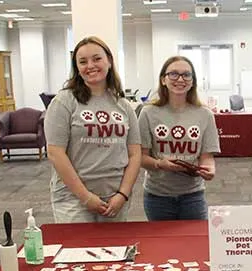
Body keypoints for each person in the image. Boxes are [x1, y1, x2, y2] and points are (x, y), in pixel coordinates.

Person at [44, 36, 141, 223]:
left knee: (115, 251)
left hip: (114, 198)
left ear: (109, 61)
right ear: (77, 69)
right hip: (73, 199)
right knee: (77, 252)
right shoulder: (64, 101)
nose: (90, 65)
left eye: (97, 59)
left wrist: (123, 194)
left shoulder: (123, 105)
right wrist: (86, 197)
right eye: (83, 62)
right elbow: (55, 153)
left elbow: (135, 154)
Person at [138, 56, 219, 221]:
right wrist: (159, 164)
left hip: (193, 195)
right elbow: (139, 157)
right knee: (162, 245)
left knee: (195, 244)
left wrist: (208, 169)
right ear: (163, 79)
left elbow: (207, 157)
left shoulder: (205, 114)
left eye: (186, 75)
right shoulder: (148, 112)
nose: (180, 79)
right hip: (157, 196)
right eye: (173, 74)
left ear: (192, 81)